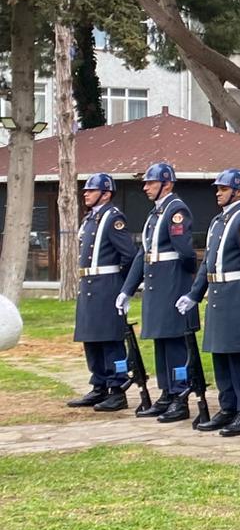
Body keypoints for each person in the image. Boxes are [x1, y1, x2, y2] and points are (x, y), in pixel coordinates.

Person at [178, 169, 240, 436]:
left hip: (238, 290)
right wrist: (194, 294)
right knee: (221, 352)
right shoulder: (220, 220)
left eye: (223, 189)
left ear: (238, 191)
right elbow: (207, 262)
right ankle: (228, 406)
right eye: (218, 188)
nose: (218, 193)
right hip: (219, 291)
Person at [117, 162, 200, 422]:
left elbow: (186, 252)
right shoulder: (156, 214)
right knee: (161, 342)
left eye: (150, 183)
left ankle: (180, 395)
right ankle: (166, 393)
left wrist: (184, 282)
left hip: (172, 285)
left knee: (175, 342)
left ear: (167, 184)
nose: (145, 187)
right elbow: (144, 254)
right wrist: (127, 289)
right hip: (158, 287)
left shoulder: (176, 210)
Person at [68, 173, 138, 412]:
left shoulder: (112, 218)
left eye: (91, 190)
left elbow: (128, 254)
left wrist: (123, 285)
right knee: (92, 338)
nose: (85, 193)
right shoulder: (90, 219)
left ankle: (117, 388)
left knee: (110, 339)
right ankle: (99, 385)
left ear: (106, 194)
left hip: (107, 285)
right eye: (86, 190)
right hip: (89, 284)